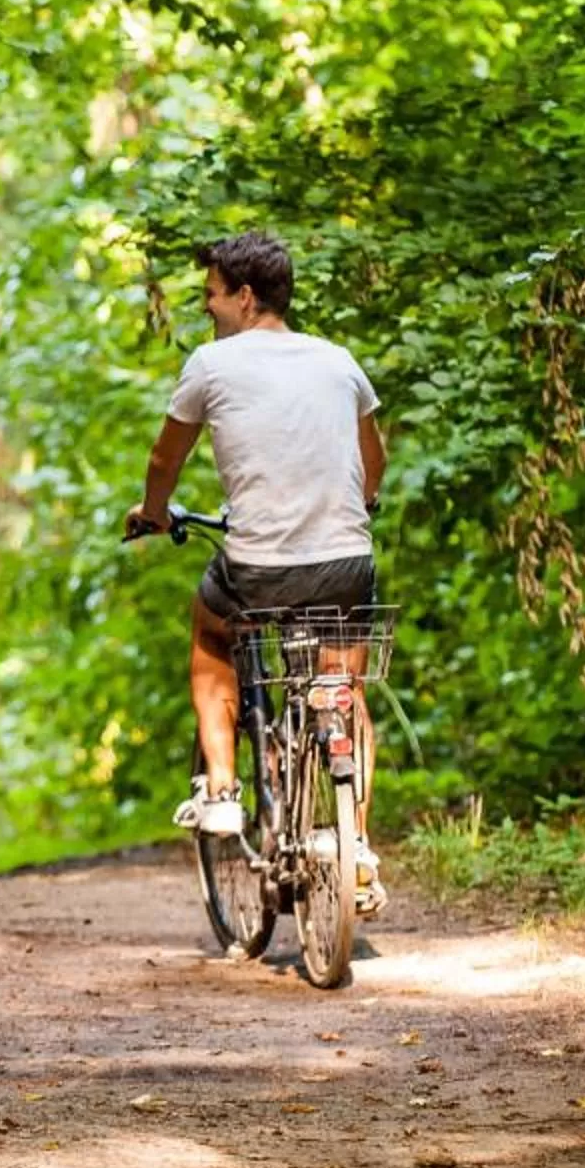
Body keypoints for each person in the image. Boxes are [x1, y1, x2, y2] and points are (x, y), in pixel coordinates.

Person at [123, 232, 389, 913]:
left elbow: (164, 460)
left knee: (213, 632)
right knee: (344, 686)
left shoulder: (211, 365)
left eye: (211, 295)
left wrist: (154, 513)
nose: (207, 309)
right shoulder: (339, 362)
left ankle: (219, 789)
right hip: (343, 565)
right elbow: (373, 457)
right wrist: (358, 507)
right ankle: (355, 842)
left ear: (244, 297)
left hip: (258, 570)